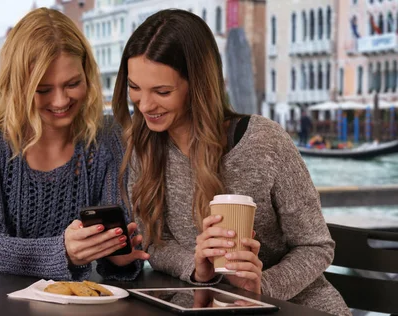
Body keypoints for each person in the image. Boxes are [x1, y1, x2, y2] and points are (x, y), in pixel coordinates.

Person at [111, 9, 350, 315]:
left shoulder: (264, 141)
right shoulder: (144, 146)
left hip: (296, 306)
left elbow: (316, 247)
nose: (144, 105)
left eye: (162, 91)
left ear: (197, 84)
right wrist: (199, 269)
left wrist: (260, 286)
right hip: (206, 304)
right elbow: (155, 244)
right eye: (134, 88)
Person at [0, 8, 148, 281]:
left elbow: (120, 251)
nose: (60, 101)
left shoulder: (108, 136)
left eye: (72, 84)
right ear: (17, 85)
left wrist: (118, 256)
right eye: (43, 90)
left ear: (87, 74)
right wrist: (63, 251)